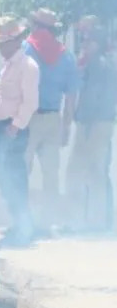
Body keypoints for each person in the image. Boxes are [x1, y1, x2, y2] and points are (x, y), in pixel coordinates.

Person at [22, 8, 80, 235]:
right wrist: (66, 126)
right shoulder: (66, 55)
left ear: (36, 25)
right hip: (53, 118)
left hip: (28, 118)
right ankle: (47, 223)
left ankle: (23, 222)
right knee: (51, 175)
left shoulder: (25, 49)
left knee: (21, 171)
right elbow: (71, 95)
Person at [0, 16, 40, 247]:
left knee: (15, 178)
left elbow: (30, 102)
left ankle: (24, 227)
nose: (0, 47)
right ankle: (18, 224)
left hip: (11, 128)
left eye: (4, 42)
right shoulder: (7, 66)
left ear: (15, 41)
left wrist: (16, 126)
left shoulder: (28, 66)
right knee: (5, 178)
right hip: (0, 127)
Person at [66, 27, 117, 233]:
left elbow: (94, 96)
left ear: (97, 43)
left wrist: (85, 123)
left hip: (92, 123)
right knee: (97, 172)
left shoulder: (98, 63)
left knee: (81, 171)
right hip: (102, 122)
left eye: (87, 41)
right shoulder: (107, 62)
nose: (84, 45)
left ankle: (82, 221)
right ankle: (96, 221)